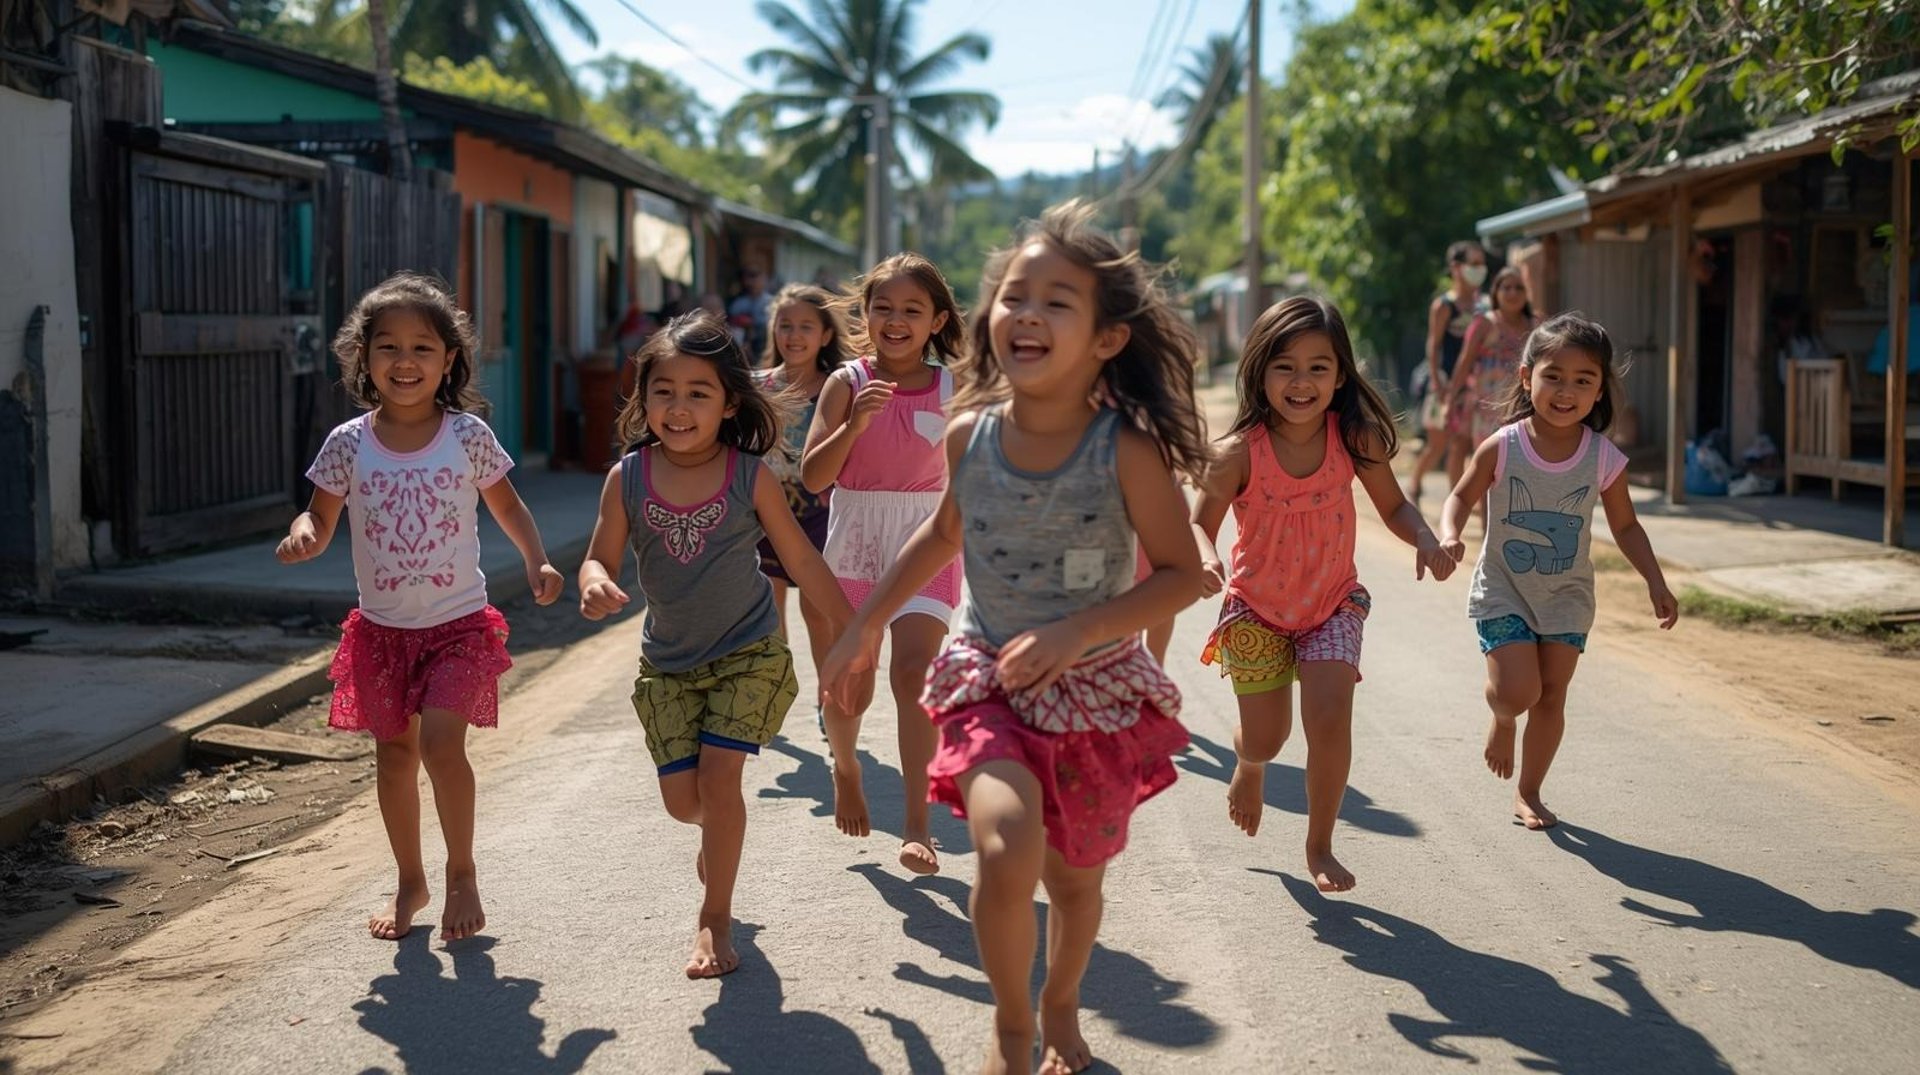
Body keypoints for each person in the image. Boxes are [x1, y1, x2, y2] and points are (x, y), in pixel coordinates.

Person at [821, 202, 1207, 1075]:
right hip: (989, 678)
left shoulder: (1128, 451)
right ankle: (1008, 1029)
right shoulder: (970, 433)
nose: (1027, 313)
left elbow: (1186, 575)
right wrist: (862, 625)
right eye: (1014, 296)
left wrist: (1081, 630)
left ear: (1108, 338)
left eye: (1057, 301)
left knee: (1075, 879)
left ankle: (1060, 999)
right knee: (1004, 847)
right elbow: (942, 535)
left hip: (1094, 693)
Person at [277, 272, 565, 942]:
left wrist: (537, 557)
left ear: (449, 361)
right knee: (394, 756)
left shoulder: (465, 436)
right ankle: (411, 877)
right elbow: (319, 516)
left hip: (457, 627)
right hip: (383, 632)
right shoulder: (348, 443)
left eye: (422, 348)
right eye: (388, 347)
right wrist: (305, 535)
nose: (404, 361)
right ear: (363, 359)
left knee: (440, 744)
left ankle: (462, 871)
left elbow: (508, 506)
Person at [577, 311, 852, 978]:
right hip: (667, 665)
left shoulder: (748, 475)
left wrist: (852, 629)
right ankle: (716, 836)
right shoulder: (629, 479)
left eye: (698, 392)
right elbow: (599, 559)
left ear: (729, 402)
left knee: (720, 780)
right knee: (686, 803)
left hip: (748, 653)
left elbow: (804, 561)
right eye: (663, 391)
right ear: (643, 400)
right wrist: (592, 584)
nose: (678, 407)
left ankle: (715, 915)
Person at [1192, 295, 1456, 893]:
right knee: (1267, 737)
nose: (1302, 381)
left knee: (1330, 718)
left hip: (1332, 604)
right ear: (1259, 371)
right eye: (1285, 365)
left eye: (1319, 366)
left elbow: (1394, 505)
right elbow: (1198, 525)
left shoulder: (1354, 438)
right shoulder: (1238, 453)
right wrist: (1206, 558)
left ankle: (1319, 845)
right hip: (1256, 610)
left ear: (1340, 375)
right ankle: (1250, 764)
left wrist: (1424, 537)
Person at [1439, 313, 1678, 830]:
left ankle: (1529, 792)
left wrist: (1655, 581)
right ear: (1528, 378)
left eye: (1582, 380)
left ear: (1599, 392)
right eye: (1554, 376)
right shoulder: (1504, 444)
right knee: (1518, 693)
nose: (1566, 390)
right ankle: (1502, 716)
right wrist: (1451, 534)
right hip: (1505, 586)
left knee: (1551, 696)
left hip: (1567, 595)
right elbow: (1460, 493)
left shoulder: (1603, 458)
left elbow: (1628, 527)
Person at [801, 252, 967, 875]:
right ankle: (846, 768)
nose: (895, 320)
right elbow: (816, 476)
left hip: (926, 537)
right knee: (851, 684)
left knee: (914, 676)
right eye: (884, 308)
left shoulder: (954, 389)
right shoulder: (845, 383)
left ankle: (918, 825)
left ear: (936, 321)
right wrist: (855, 423)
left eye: (911, 311)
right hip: (854, 540)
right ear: (865, 314)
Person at [755, 284, 852, 724]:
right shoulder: (756, 389)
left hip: (820, 518)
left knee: (819, 615)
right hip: (765, 520)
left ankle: (828, 698)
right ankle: (773, 700)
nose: (794, 335)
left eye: (806, 327)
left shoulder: (838, 388)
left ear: (825, 336)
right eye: (785, 325)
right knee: (768, 617)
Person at [1405, 241, 1487, 505]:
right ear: (1456, 267)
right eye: (1473, 264)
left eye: (1481, 264)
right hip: (1444, 381)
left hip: (1473, 384)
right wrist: (1438, 383)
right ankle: (1415, 483)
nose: (1479, 269)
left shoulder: (1482, 305)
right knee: (1438, 444)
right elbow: (1434, 344)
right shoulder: (1443, 305)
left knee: (1460, 443)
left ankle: (1457, 500)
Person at [1446, 267, 1537, 463]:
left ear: (1527, 292)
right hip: (1488, 410)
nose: (1513, 293)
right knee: (1488, 466)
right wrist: (1450, 400)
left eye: (1519, 288)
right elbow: (1464, 362)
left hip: (1523, 407)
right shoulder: (1484, 324)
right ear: (1496, 292)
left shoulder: (1537, 325)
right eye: (1507, 287)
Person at [729, 267, 774, 359]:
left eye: (755, 276)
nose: (752, 282)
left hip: (766, 345)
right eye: (749, 277)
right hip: (743, 349)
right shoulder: (738, 304)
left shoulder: (772, 302)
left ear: (764, 278)